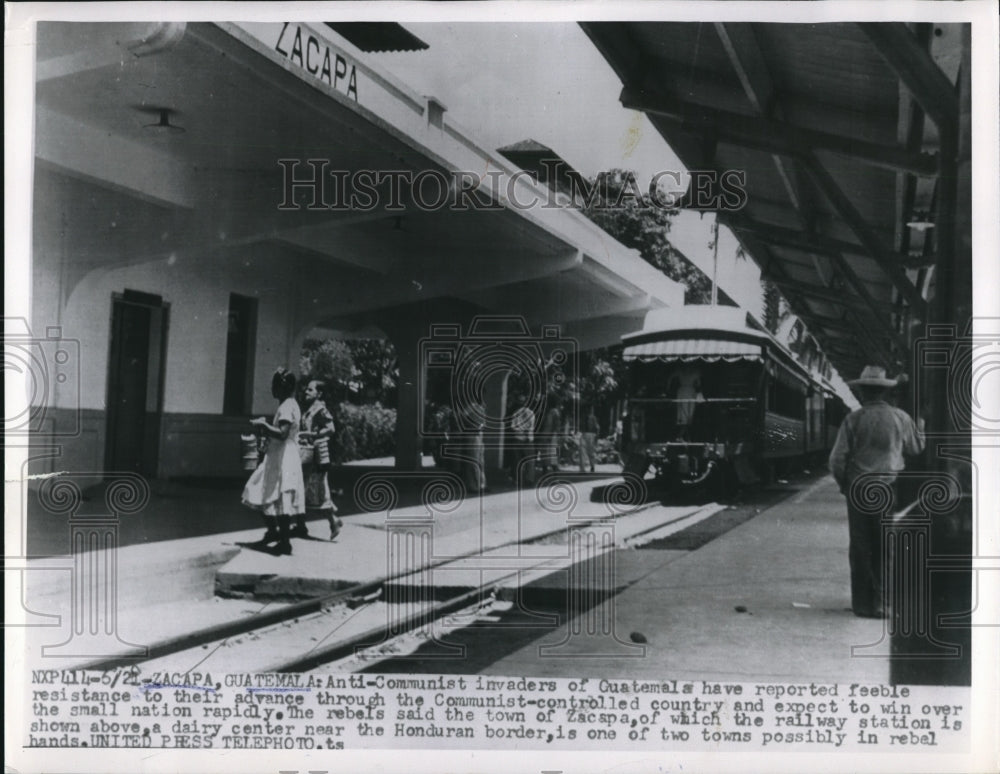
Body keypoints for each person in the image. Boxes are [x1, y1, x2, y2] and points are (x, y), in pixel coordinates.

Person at [829, 365, 924, 618]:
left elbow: (837, 460)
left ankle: (862, 604)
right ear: (884, 392)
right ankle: (883, 603)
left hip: (859, 488)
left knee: (860, 546)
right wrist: (921, 428)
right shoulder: (901, 418)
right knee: (884, 546)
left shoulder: (853, 419)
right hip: (887, 488)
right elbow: (916, 449)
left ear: (862, 391)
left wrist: (845, 485)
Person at [242, 368, 306, 556]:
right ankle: (274, 532)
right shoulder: (292, 404)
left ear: (283, 387)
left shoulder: (286, 406)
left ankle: (284, 541)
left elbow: (283, 432)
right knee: (262, 489)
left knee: (278, 494)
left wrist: (263, 425)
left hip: (283, 456)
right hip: (282, 454)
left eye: (275, 385)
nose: (272, 388)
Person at [300, 380, 343, 540]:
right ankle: (300, 525)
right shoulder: (310, 409)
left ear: (319, 394)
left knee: (318, 489)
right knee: (307, 489)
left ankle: (333, 521)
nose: (306, 391)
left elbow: (331, 429)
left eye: (310, 390)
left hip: (317, 455)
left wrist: (311, 435)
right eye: (307, 389)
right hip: (308, 453)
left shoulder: (320, 409)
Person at [508, 403, 536, 485]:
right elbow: (531, 426)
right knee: (530, 461)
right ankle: (529, 480)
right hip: (528, 440)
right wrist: (527, 435)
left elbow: (512, 427)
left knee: (516, 461)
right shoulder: (531, 413)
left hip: (517, 439)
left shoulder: (516, 413)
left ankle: (517, 479)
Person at [538, 401, 562, 473]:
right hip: (551, 434)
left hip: (543, 434)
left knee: (544, 451)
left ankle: (544, 468)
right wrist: (555, 434)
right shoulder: (555, 412)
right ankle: (554, 468)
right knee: (552, 451)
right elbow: (556, 425)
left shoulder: (544, 412)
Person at [579, 406, 599, 473]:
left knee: (583, 452)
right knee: (590, 452)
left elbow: (581, 427)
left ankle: (583, 468)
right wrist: (596, 436)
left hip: (586, 434)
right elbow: (597, 427)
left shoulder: (585, 417)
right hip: (590, 435)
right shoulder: (593, 417)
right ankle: (591, 467)